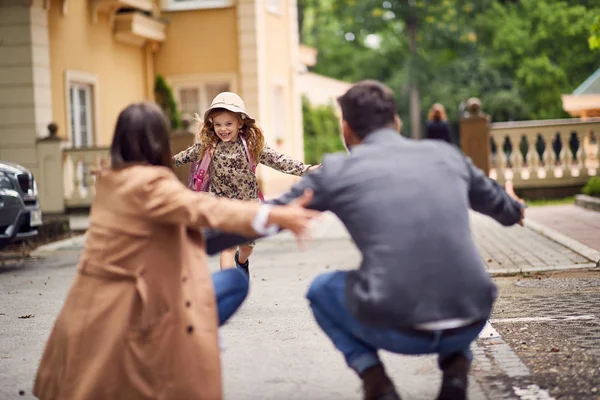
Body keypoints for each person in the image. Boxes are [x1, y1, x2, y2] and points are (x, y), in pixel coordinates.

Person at [205, 81, 525, 400]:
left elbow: (262, 218)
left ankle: (376, 381)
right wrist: (513, 204)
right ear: (395, 122)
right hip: (472, 315)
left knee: (320, 290)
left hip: (398, 326)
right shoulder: (447, 155)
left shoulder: (338, 171)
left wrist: (198, 237)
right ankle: (455, 371)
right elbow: (510, 211)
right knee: (447, 275)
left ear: (346, 128)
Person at [32, 102, 320, 400]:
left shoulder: (110, 179)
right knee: (232, 285)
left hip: (88, 306)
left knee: (231, 282)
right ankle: (192, 335)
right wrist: (273, 215)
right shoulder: (149, 183)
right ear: (157, 141)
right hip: (135, 303)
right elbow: (201, 206)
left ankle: (194, 328)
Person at [173, 92, 319, 275]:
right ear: (212, 124)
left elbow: (278, 160)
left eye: (228, 124)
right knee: (226, 247)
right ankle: (227, 285)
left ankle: (241, 262)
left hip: (249, 205)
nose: (223, 129)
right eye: (218, 124)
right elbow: (184, 156)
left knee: (246, 247)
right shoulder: (208, 144)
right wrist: (163, 163)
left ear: (240, 122)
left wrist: (306, 169)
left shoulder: (251, 145)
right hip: (222, 204)